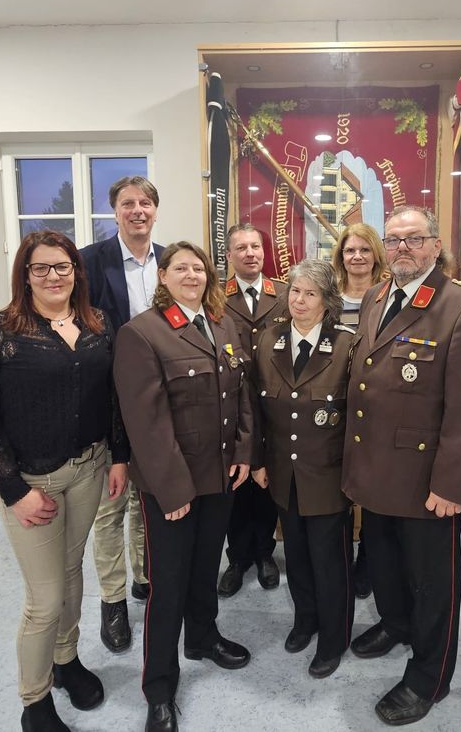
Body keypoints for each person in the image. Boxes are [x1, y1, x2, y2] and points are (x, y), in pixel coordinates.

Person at [0, 230, 128, 732]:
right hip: (32, 483)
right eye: (41, 268)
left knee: (74, 574)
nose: (53, 276)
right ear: (25, 275)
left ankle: (66, 660)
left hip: (89, 470)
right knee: (45, 596)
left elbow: (113, 399)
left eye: (63, 266)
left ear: (77, 271)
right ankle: (34, 702)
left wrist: (118, 457)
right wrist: (14, 491)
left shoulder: (98, 325)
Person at [341, 205, 461, 726]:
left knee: (434, 583)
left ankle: (431, 674)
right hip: (376, 469)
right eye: (395, 239)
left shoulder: (460, 305)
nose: (403, 247)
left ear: (435, 245)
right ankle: (395, 623)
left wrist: (453, 481)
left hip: (427, 479)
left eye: (414, 239)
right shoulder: (376, 295)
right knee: (384, 563)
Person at [113, 241, 253, 732]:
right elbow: (146, 425)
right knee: (167, 587)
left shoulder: (222, 324)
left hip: (219, 476)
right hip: (174, 486)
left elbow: (241, 396)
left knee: (204, 568)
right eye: (181, 268)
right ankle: (160, 688)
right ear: (164, 277)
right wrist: (172, 492)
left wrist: (242, 452)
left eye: (199, 268)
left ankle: (202, 637)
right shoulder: (141, 334)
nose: (192, 274)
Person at [251, 259, 356, 679]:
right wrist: (258, 460)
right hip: (282, 473)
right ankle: (305, 619)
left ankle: (334, 636)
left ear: (327, 302)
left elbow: (358, 418)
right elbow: (256, 408)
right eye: (294, 291)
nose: (299, 300)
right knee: (295, 554)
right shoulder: (268, 341)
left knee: (330, 560)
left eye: (310, 293)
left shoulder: (348, 345)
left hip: (328, 474)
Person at [80, 175, 165, 653]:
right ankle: (112, 602)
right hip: (107, 398)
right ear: (114, 212)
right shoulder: (90, 263)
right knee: (110, 505)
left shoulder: (171, 261)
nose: (137, 210)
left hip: (157, 399)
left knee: (145, 499)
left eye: (146, 203)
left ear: (155, 211)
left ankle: (145, 579)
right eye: (128, 203)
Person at [217, 223, 287, 597]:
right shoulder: (214, 297)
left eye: (255, 246)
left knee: (267, 482)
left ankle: (265, 553)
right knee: (236, 481)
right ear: (229, 256)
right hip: (232, 404)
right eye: (241, 248)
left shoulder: (286, 294)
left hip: (275, 404)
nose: (250, 253)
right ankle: (237, 557)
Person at [330, 222, 389, 600]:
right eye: (350, 251)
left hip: (375, 407)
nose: (357, 257)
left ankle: (367, 560)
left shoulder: (387, 295)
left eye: (364, 250)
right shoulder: (330, 297)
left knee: (371, 489)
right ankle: (339, 560)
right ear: (341, 257)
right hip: (334, 405)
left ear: (375, 255)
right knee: (336, 488)